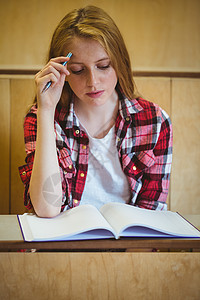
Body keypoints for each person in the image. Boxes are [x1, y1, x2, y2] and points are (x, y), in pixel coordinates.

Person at [19, 5, 173, 218]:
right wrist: (46, 110)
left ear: (120, 63)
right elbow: (46, 209)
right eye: (78, 70)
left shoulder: (155, 122)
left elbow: (152, 215)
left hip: (128, 247)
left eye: (104, 66)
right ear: (62, 71)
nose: (93, 82)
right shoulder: (41, 118)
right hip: (62, 246)